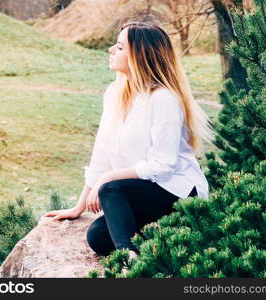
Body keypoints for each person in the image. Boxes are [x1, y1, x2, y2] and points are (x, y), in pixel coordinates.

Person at [45, 21, 214, 261]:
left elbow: (163, 165)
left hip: (177, 191)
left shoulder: (163, 98)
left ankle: (129, 261)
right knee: (98, 237)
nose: (111, 50)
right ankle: (155, 244)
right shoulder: (114, 94)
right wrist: (78, 207)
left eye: (120, 47)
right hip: (141, 192)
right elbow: (102, 153)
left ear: (140, 55)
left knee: (111, 188)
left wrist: (106, 180)